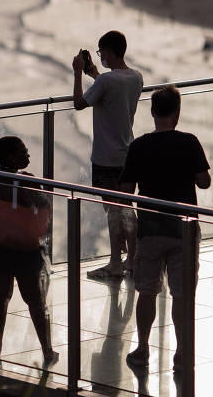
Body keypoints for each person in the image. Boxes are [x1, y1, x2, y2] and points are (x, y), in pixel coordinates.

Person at [121, 85, 211, 370]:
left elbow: (125, 188)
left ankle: (143, 349)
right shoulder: (189, 142)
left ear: (152, 112)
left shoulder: (139, 146)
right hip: (183, 227)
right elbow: (204, 181)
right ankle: (182, 352)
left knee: (147, 290)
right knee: (182, 294)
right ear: (177, 112)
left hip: (150, 226)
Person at [0, 136, 59, 365]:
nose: (28, 155)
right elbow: (45, 209)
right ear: (12, 156)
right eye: (24, 151)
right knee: (36, 300)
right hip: (27, 247)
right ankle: (47, 350)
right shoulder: (29, 181)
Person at [72, 30, 143, 278]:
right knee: (127, 208)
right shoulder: (136, 77)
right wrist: (93, 73)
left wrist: (77, 72)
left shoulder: (106, 82)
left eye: (102, 53)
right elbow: (109, 90)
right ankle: (132, 259)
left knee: (113, 211)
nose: (100, 56)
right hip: (127, 153)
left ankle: (115, 262)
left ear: (110, 52)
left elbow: (79, 103)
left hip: (104, 157)